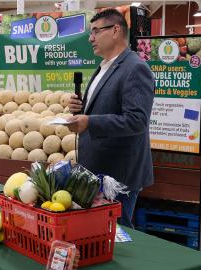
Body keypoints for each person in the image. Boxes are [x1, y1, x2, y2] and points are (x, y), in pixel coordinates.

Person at [67, 9, 154, 228]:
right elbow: (104, 107)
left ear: (116, 30)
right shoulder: (105, 66)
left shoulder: (136, 68)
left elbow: (136, 120)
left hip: (118, 174)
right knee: (101, 231)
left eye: (96, 31)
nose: (90, 38)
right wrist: (81, 109)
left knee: (118, 233)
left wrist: (90, 122)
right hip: (97, 168)